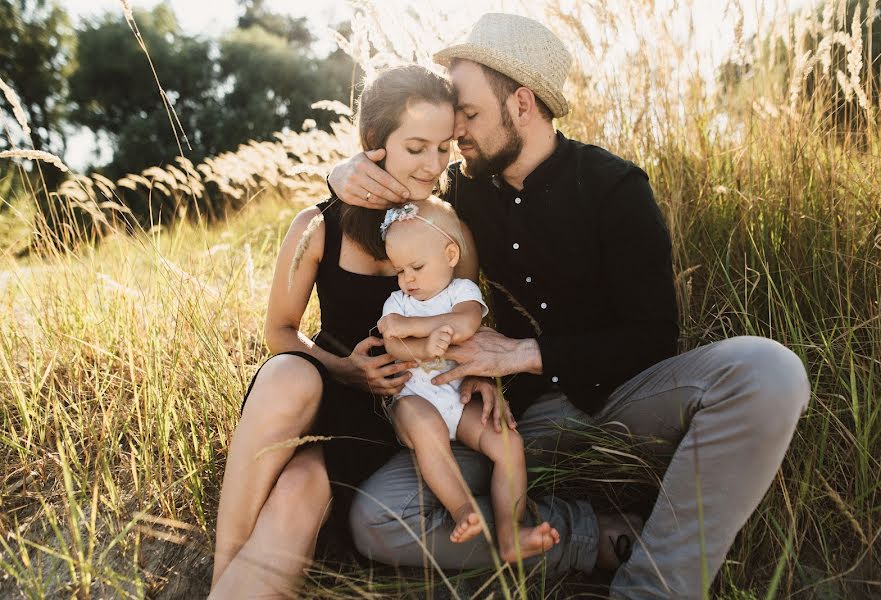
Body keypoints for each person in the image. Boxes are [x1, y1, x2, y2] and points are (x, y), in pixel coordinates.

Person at [329, 13, 811, 599]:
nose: (457, 134)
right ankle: (591, 536)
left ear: (523, 104)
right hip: (510, 426)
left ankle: (653, 589)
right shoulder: (458, 193)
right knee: (378, 518)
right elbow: (391, 191)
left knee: (771, 370)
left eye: (471, 115)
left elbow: (654, 338)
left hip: (622, 405)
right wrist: (347, 169)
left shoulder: (613, 187)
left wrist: (521, 354)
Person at [209, 64, 499, 599]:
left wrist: (478, 372)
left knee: (297, 491)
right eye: (416, 148)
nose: (434, 165)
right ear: (374, 144)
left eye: (443, 148)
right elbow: (280, 331)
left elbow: (467, 315)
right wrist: (344, 368)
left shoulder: (449, 231)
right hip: (317, 385)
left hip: (389, 413)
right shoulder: (317, 226)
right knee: (287, 376)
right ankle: (221, 569)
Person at [376, 197, 561, 560]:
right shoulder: (397, 302)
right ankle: (462, 508)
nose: (407, 279)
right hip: (413, 401)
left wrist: (417, 331)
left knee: (508, 444)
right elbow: (394, 348)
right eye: (399, 270)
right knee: (428, 430)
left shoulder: (463, 293)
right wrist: (422, 344)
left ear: (449, 254)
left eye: (416, 266)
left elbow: (465, 324)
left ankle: (511, 534)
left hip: (457, 401)